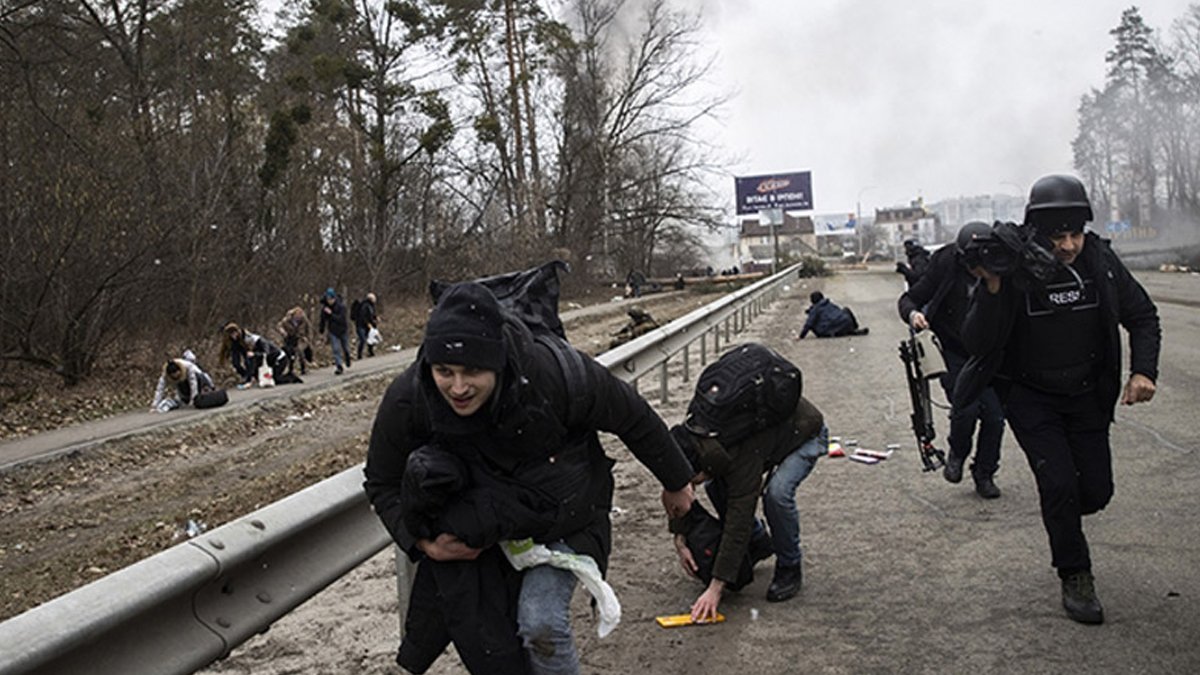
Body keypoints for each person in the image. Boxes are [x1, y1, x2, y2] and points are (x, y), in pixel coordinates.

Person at [363, 281, 695, 674]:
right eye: (444, 371)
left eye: (472, 371)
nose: (458, 388)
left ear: (499, 361)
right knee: (495, 653)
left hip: (564, 514)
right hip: (482, 526)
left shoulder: (553, 373)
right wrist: (423, 544)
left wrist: (676, 481)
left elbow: (633, 416)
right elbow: (382, 482)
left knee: (540, 622)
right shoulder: (410, 398)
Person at [957, 174, 1160, 625]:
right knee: (1060, 484)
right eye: (1057, 235)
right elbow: (976, 341)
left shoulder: (1101, 262)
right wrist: (991, 289)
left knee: (1096, 491)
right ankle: (1075, 575)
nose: (1068, 245)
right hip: (1032, 398)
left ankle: (1064, 512)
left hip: (1089, 394)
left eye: (1075, 233)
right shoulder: (1011, 269)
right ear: (1036, 232)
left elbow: (1143, 316)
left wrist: (1144, 370)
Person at [668, 375, 827, 622]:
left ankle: (789, 566)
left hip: (805, 435)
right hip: (771, 439)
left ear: (699, 467)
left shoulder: (740, 456)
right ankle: (759, 542)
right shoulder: (693, 432)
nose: (692, 486)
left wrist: (715, 589)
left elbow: (738, 519)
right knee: (715, 487)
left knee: (777, 495)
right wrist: (680, 539)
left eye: (692, 481)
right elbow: (676, 493)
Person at [897, 222, 1005, 499]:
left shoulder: (1003, 270)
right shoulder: (945, 263)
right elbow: (910, 298)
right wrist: (914, 315)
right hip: (951, 350)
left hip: (988, 352)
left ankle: (984, 472)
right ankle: (957, 450)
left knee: (994, 417)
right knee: (965, 408)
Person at [220, 322, 295, 388]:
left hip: (279, 358)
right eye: (231, 335)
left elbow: (266, 352)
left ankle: (291, 377)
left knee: (275, 379)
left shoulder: (254, 339)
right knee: (252, 366)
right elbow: (239, 359)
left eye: (234, 334)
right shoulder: (235, 342)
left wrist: (255, 354)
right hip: (266, 359)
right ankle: (249, 378)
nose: (233, 336)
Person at [149, 350, 215, 412]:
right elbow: (160, 389)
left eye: (177, 375)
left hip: (200, 379)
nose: (176, 377)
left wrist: (193, 400)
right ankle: (185, 398)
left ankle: (204, 392)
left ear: (180, 371)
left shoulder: (189, 367)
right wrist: (154, 405)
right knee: (180, 386)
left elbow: (193, 384)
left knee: (197, 382)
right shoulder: (165, 375)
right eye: (174, 377)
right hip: (184, 384)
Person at [798, 291, 869, 338]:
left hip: (828, 330)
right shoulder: (829, 303)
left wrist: (801, 336)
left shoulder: (815, 309)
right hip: (844, 323)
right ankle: (854, 329)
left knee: (813, 322)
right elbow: (838, 311)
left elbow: (809, 324)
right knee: (846, 309)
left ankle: (839, 331)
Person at [318, 287, 351, 375]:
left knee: (346, 348)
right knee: (336, 349)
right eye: (328, 299)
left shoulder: (341, 307)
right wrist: (321, 331)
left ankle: (347, 357)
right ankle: (339, 366)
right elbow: (323, 320)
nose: (329, 301)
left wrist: (331, 314)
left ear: (334, 298)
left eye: (331, 299)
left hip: (343, 329)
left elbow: (341, 319)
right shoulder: (325, 308)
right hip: (333, 331)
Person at [277, 306, 314, 376]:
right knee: (289, 352)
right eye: (297, 315)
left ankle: (303, 367)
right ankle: (290, 368)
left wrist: (308, 338)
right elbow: (280, 326)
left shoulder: (304, 320)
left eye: (300, 315)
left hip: (301, 338)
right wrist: (283, 332)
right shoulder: (287, 320)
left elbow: (309, 329)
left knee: (300, 350)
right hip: (289, 338)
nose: (299, 317)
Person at [355, 292, 379, 359]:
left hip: (369, 325)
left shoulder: (372, 305)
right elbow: (363, 316)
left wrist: (375, 318)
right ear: (371, 299)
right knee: (362, 339)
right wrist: (367, 323)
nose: (375, 300)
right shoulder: (365, 306)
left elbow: (372, 314)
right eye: (374, 298)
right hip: (361, 325)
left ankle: (370, 352)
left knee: (371, 338)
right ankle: (359, 355)